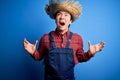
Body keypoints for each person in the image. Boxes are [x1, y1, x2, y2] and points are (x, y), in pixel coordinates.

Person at [23, 0, 105, 80]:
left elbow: (81, 58)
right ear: (55, 19)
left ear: (70, 21)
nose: (62, 17)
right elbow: (39, 56)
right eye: (59, 14)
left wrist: (90, 53)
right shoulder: (45, 38)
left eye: (66, 15)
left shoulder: (77, 38)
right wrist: (33, 52)